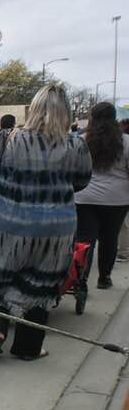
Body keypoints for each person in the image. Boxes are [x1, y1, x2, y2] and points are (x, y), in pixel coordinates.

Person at [0, 85, 91, 358]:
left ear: (32, 109)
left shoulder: (8, 137)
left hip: (7, 223)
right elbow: (82, 181)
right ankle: (27, 348)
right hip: (55, 230)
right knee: (40, 284)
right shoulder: (77, 144)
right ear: (66, 113)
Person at [75, 102, 129, 289]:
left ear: (92, 118)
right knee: (109, 239)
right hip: (117, 199)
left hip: (84, 197)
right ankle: (104, 277)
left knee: (84, 240)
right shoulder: (126, 142)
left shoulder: (81, 140)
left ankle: (80, 279)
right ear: (114, 118)